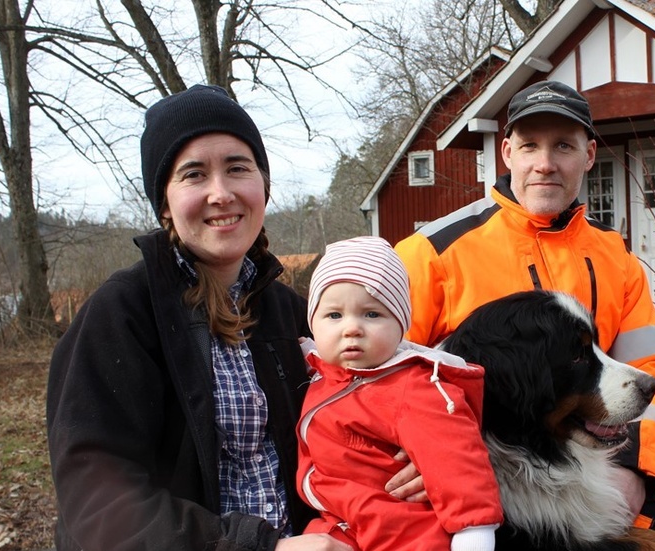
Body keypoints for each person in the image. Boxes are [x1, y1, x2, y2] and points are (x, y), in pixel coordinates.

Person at [45, 85, 412, 551]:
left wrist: (413, 458)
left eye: (237, 168)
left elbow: (372, 402)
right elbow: (96, 504)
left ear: (262, 184)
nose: (221, 193)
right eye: (194, 174)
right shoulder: (122, 314)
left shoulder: (297, 313)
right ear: (165, 204)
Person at [394, 80, 655, 547]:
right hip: (477, 493)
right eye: (529, 146)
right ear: (506, 153)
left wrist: (636, 469)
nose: (545, 163)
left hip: (596, 476)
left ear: (589, 154)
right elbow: (377, 372)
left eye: (563, 146)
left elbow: (652, 371)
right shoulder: (431, 252)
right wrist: (428, 452)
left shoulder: (615, 255)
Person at [296, 236, 503, 551]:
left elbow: (459, 462)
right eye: (334, 316)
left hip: (405, 533)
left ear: (401, 324)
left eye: (372, 314)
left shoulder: (414, 388)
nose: (351, 328)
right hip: (344, 523)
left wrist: (474, 534)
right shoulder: (329, 375)